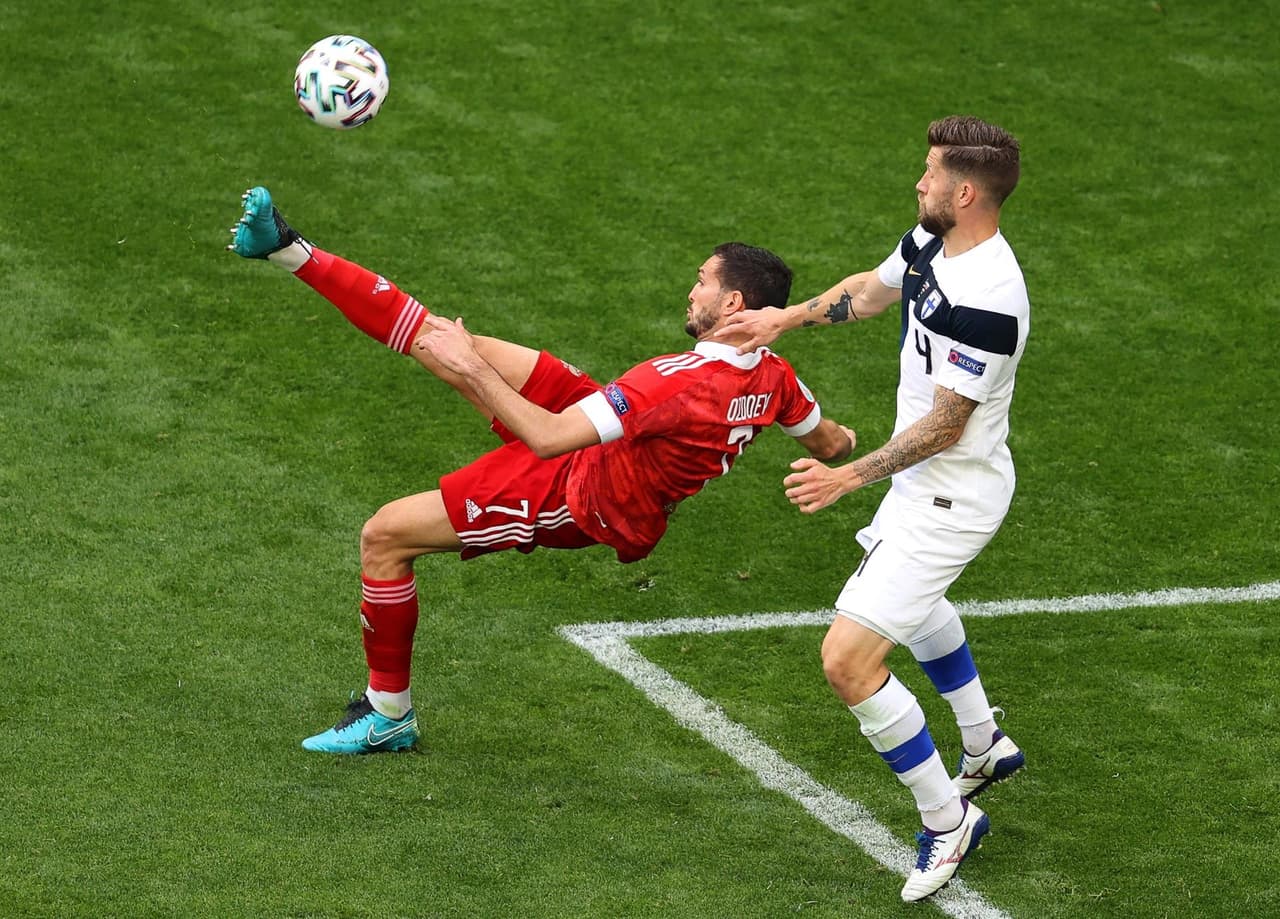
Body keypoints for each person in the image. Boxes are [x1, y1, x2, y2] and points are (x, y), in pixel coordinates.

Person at [226, 186, 854, 758]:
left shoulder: (673, 383)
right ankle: (286, 247)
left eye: (701, 281)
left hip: (583, 492)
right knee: (441, 336)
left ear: (734, 302)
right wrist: (847, 442)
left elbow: (548, 440)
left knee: (385, 535)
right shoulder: (776, 377)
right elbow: (828, 443)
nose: (692, 291)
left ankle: (389, 714)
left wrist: (472, 373)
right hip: (614, 440)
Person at [716, 115, 1029, 902]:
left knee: (847, 660)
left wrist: (848, 475)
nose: (918, 183)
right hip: (926, 483)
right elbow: (869, 289)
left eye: (929, 173)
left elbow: (946, 423)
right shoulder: (932, 240)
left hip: (951, 495)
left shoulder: (991, 295)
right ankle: (985, 741)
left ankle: (948, 819)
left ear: (965, 191)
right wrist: (785, 318)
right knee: (915, 608)